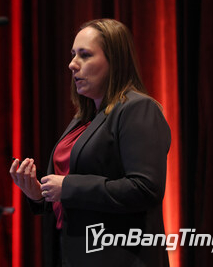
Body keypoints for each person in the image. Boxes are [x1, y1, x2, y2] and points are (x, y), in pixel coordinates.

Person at [10, 19, 171, 266]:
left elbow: (145, 189)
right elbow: (73, 195)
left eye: (85, 55)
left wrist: (68, 187)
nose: (72, 64)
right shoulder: (83, 118)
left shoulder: (138, 109)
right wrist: (39, 194)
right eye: (73, 55)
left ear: (114, 61)